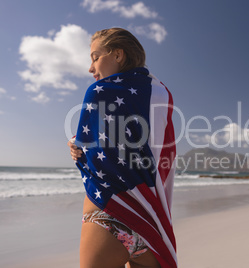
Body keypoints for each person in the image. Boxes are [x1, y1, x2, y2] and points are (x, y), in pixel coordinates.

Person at [67, 28, 177, 268]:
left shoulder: (98, 92)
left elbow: (95, 147)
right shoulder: (160, 93)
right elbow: (150, 146)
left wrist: (77, 143)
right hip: (150, 221)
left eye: (96, 57)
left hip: (110, 213)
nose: (91, 67)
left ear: (118, 55)